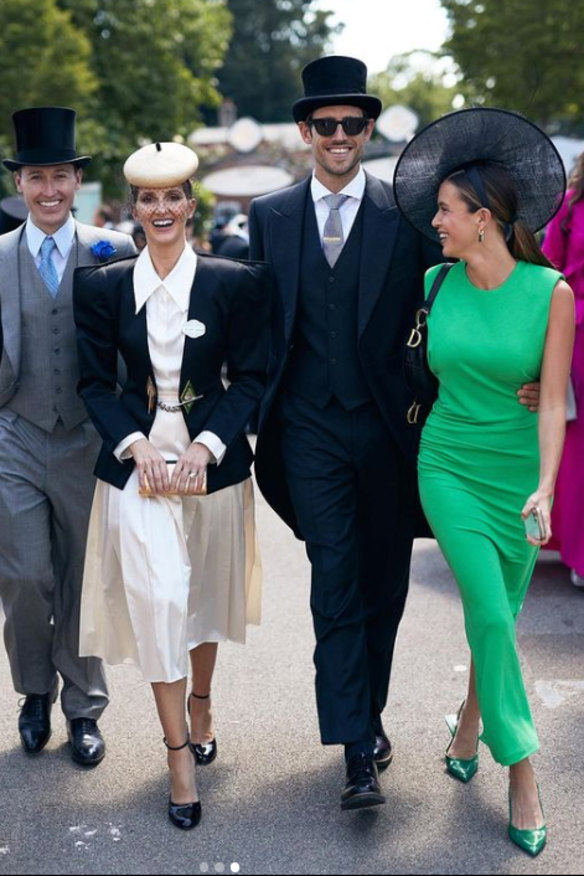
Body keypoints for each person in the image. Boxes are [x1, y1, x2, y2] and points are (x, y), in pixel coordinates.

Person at [249, 55, 539, 811]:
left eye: (352, 124)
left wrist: (524, 374)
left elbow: (469, 296)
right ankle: (356, 749)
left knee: (384, 584)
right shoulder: (269, 217)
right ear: (305, 131)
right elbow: (252, 322)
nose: (339, 136)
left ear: (369, 129)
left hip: (392, 433)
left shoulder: (407, 217)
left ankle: (366, 717)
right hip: (306, 430)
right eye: (325, 125)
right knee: (335, 580)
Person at [393, 107, 574, 856]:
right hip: (448, 466)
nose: (436, 221)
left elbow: (555, 399)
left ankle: (468, 725)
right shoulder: (435, 281)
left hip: (518, 481)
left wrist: (548, 487)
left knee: (491, 617)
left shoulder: (552, 292)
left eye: (446, 210)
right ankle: (523, 772)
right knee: (495, 620)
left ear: (485, 218)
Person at [73, 141, 268, 829]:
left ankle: (204, 702)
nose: (161, 209)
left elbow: (251, 376)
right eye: (148, 199)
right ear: (135, 209)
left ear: (191, 205)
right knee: (160, 603)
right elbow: (95, 382)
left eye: (173, 197)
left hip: (211, 472)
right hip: (137, 476)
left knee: (205, 600)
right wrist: (133, 445)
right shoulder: (100, 287)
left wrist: (209, 446)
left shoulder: (232, 281)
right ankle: (177, 756)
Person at [0, 106, 134, 766]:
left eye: (60, 177)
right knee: (26, 574)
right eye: (36, 178)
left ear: (76, 181)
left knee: (85, 577)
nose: (49, 190)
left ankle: (84, 708)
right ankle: (33, 693)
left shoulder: (112, 250)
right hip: (15, 431)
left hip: (86, 435)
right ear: (19, 184)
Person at [540, 151, 584, 588]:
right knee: (576, 439)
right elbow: (549, 268)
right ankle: (577, 551)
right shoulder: (569, 204)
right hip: (578, 334)